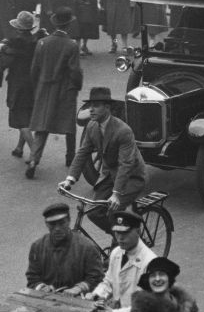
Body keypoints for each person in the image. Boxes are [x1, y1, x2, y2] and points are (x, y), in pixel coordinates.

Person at [60, 85, 146, 227]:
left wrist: (116, 194)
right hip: (109, 175)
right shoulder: (92, 126)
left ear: (107, 107)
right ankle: (118, 239)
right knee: (94, 213)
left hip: (131, 178)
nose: (91, 110)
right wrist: (69, 180)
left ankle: (128, 242)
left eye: (96, 106)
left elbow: (126, 164)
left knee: (114, 212)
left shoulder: (123, 131)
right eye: (90, 106)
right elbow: (83, 153)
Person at [27, 7, 82, 179]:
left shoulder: (42, 42)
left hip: (45, 88)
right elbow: (75, 71)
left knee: (42, 127)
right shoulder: (72, 45)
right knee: (68, 125)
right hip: (64, 90)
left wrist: (38, 87)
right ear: (68, 25)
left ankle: (33, 160)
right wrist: (77, 86)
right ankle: (70, 157)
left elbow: (34, 69)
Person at [26, 202, 103, 295]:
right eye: (52, 224)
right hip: (46, 299)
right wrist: (41, 287)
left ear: (69, 221)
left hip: (79, 301)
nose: (57, 228)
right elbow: (32, 278)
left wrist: (78, 288)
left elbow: (96, 278)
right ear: (46, 224)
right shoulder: (37, 246)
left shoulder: (87, 247)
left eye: (62, 223)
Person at [0, 10, 41, 159]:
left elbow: (6, 62)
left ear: (18, 28)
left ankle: (35, 152)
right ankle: (19, 148)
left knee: (20, 120)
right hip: (33, 84)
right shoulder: (36, 42)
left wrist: (2, 51)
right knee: (27, 116)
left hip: (17, 84)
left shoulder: (14, 43)